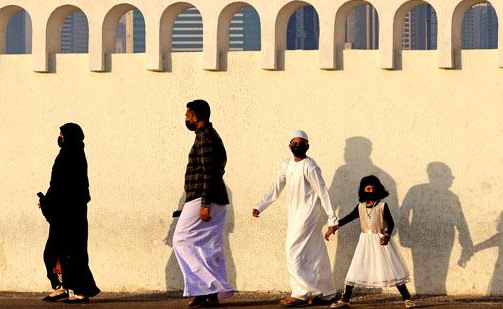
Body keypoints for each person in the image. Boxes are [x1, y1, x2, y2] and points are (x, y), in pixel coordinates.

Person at [253, 130, 338, 306]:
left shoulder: (310, 166)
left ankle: (300, 293)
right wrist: (260, 206)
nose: (297, 145)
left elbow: (323, 192)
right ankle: (326, 292)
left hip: (308, 215)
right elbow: (275, 188)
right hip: (295, 214)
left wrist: (332, 219)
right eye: (294, 142)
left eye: (301, 143)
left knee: (292, 250)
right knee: (315, 252)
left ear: (307, 146)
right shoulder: (287, 164)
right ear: (289, 145)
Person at [172, 99, 233, 307]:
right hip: (204, 198)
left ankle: (211, 285)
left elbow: (210, 172)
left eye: (188, 114)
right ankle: (207, 293)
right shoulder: (207, 136)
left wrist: (204, 203)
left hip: (204, 198)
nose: (186, 118)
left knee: (181, 240)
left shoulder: (205, 137)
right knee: (206, 247)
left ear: (198, 116)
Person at [324, 176, 413, 308]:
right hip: (364, 241)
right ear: (363, 190)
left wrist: (387, 235)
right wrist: (334, 227)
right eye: (368, 189)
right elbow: (348, 218)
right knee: (355, 267)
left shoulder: (383, 206)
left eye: (373, 189)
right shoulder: (360, 207)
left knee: (392, 269)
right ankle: (345, 299)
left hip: (381, 241)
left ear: (378, 190)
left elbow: (391, 223)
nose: (370, 191)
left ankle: (407, 298)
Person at [38, 123, 100, 304]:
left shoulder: (73, 155)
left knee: (74, 252)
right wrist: (47, 201)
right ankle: (62, 287)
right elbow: (56, 185)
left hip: (71, 213)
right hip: (62, 212)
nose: (60, 137)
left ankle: (81, 291)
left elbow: (66, 187)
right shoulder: (67, 153)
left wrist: (50, 202)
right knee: (53, 251)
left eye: (62, 134)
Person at [399, 162, 473, 295]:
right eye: (450, 177)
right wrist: (467, 246)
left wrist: (405, 236)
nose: (451, 180)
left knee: (423, 275)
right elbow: (461, 224)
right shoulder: (451, 197)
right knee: (437, 274)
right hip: (439, 239)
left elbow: (403, 214)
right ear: (443, 177)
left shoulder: (416, 191)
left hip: (424, 238)